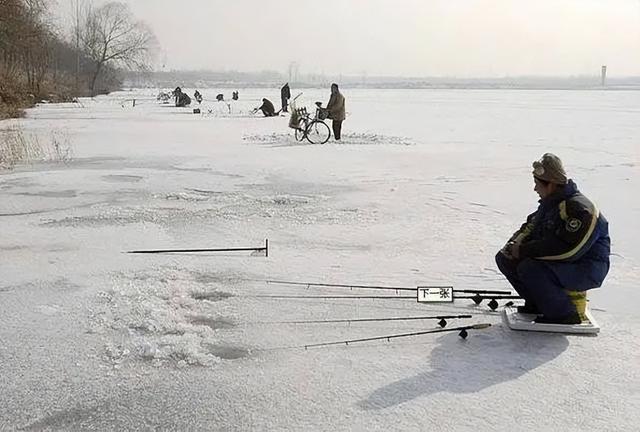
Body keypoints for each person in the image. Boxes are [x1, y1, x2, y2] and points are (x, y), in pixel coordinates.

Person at [495, 153, 610, 324]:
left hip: (586, 268)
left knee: (530, 267)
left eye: (537, 184)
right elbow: (529, 228)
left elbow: (569, 251)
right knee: (505, 259)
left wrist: (524, 251)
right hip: (564, 264)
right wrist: (513, 246)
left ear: (550, 185)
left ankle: (563, 313)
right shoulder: (550, 205)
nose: (535, 189)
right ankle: (540, 303)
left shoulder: (580, 210)